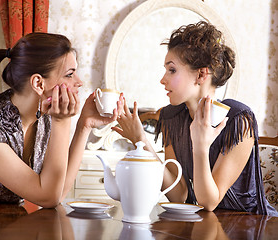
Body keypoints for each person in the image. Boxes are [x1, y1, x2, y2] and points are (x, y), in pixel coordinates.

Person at [113, 21, 278, 216]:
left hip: (249, 226)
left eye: (172, 70)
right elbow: (178, 194)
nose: (162, 79)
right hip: (202, 226)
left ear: (201, 74)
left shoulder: (239, 121)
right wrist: (141, 140)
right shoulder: (171, 118)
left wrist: (201, 146)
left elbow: (209, 202)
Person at [0, 32, 122, 208]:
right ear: (38, 84)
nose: (79, 82)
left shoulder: (43, 118)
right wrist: (62, 121)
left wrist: (84, 125)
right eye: (70, 74)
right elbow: (48, 198)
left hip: (8, 226)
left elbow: (58, 192)